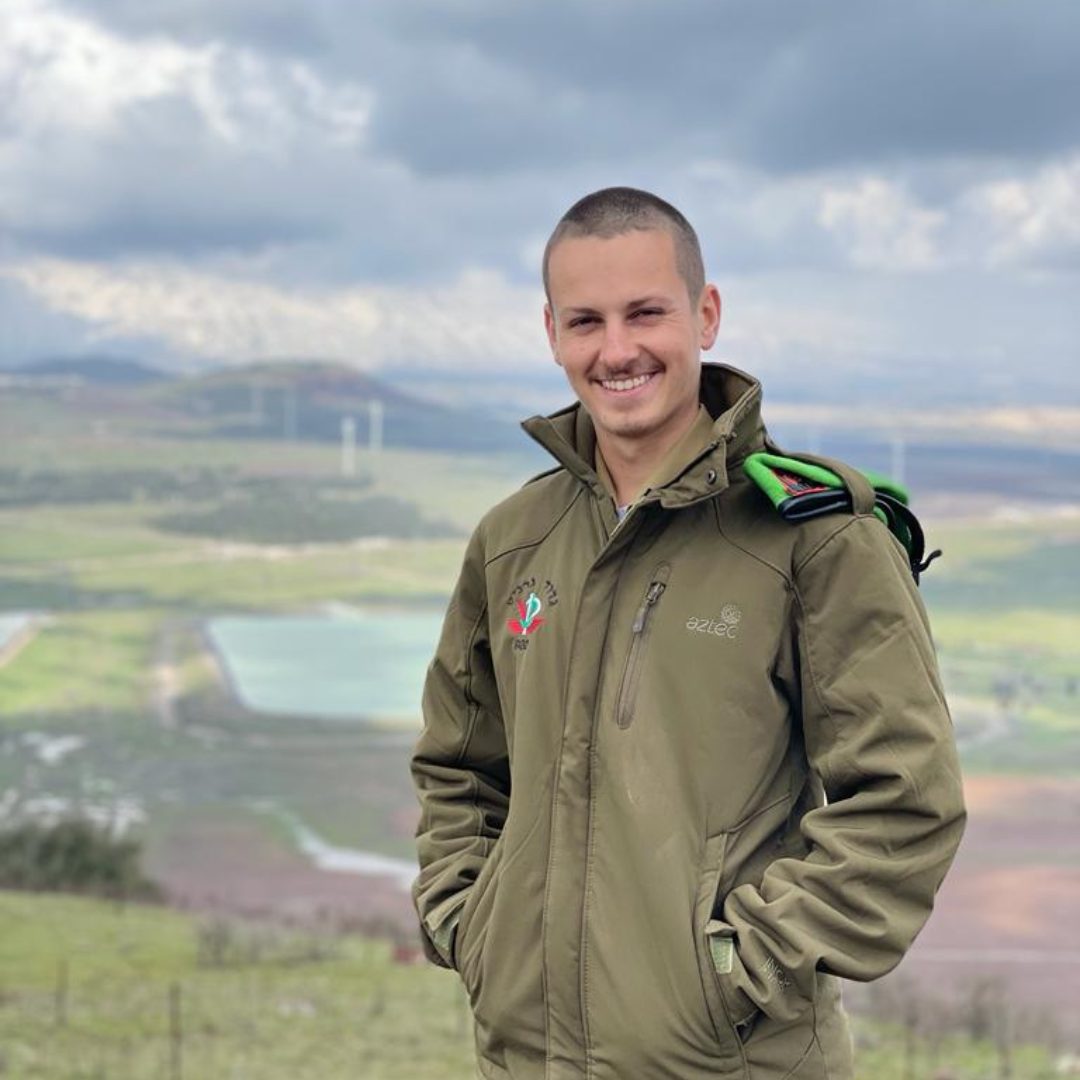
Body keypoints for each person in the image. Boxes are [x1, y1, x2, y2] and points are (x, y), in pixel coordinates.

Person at [411, 187, 965, 1080]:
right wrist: (469, 924)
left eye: (646, 313)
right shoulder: (514, 540)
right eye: (586, 321)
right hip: (526, 1058)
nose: (616, 350)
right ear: (551, 332)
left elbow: (905, 800)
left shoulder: (817, 541)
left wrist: (736, 975)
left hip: (728, 1063)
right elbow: (459, 765)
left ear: (705, 315)